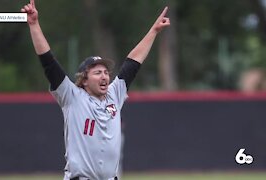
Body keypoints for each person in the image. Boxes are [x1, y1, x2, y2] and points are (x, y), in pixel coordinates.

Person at [21, 0, 170, 179]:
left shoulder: (115, 94)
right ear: (84, 80)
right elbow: (48, 63)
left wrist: (153, 31)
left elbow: (133, 62)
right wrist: (34, 25)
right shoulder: (71, 97)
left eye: (106, 72)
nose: (104, 76)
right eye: (97, 72)